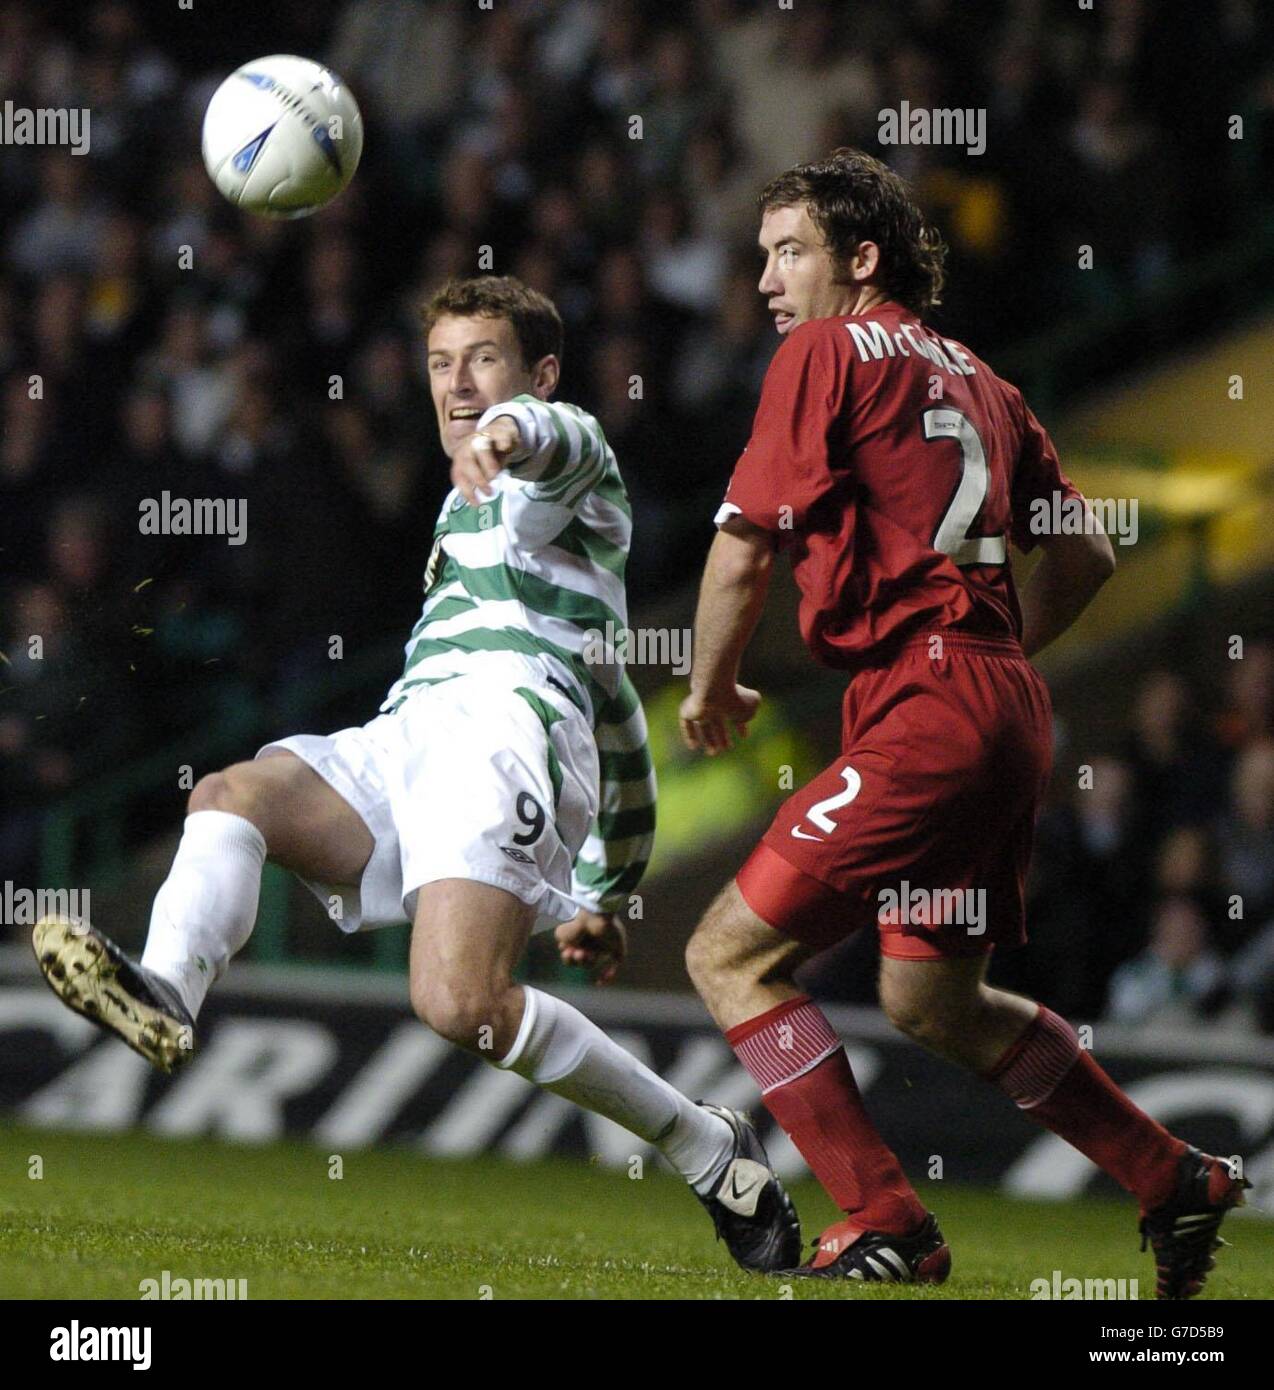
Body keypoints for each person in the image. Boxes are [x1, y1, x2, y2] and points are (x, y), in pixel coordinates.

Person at [34, 274, 799, 1274]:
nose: (457, 383)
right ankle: (169, 994)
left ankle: (704, 1145)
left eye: (483, 358)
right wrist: (604, 885)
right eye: (441, 363)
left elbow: (554, 438)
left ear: (540, 372)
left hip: (509, 732)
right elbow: (616, 705)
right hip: (412, 730)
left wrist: (509, 435)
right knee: (229, 793)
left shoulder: (566, 465)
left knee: (456, 1004)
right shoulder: (455, 515)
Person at [678, 150, 1249, 1298]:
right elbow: (1083, 555)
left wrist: (708, 686)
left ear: (862, 257)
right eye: (760, 256)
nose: (768, 280)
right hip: (996, 705)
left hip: (923, 706)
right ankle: (1165, 1171)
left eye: (789, 251)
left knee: (726, 955)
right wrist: (989, 662)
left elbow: (743, 542)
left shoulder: (822, 352)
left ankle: (887, 1216)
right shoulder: (985, 379)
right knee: (928, 996)